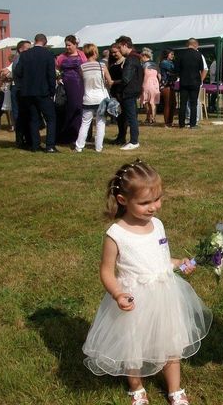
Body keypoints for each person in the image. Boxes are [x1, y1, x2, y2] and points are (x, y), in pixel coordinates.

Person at [83, 160, 211, 405]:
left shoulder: (158, 225)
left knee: (171, 341)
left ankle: (175, 390)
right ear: (123, 200)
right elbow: (106, 271)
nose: (154, 207)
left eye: (157, 199)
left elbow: (160, 258)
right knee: (134, 344)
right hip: (135, 298)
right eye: (144, 203)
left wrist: (178, 262)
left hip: (165, 295)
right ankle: (137, 388)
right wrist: (118, 294)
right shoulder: (116, 234)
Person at [13, 33, 58, 152]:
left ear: (35, 41)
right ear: (45, 42)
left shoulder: (25, 55)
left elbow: (17, 72)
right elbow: (51, 75)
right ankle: (50, 146)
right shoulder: (48, 54)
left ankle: (35, 145)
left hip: (27, 92)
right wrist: (52, 91)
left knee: (33, 119)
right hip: (43, 91)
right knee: (51, 118)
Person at [74, 43, 113, 153]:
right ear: (95, 52)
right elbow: (109, 81)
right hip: (101, 98)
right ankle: (98, 147)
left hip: (88, 98)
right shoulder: (102, 66)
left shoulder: (81, 67)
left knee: (85, 123)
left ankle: (79, 146)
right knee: (100, 123)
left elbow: (83, 80)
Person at [55, 35, 87, 144]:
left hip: (78, 84)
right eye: (66, 45)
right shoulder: (61, 57)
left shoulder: (81, 55)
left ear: (75, 45)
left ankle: (77, 134)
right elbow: (57, 69)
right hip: (65, 85)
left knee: (77, 107)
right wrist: (58, 78)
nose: (67, 47)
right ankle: (65, 134)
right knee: (65, 108)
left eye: (69, 45)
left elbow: (85, 68)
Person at [116, 36, 143, 150]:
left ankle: (134, 141)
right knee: (132, 117)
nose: (119, 50)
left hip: (129, 91)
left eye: (119, 47)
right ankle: (133, 140)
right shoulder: (136, 57)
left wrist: (118, 88)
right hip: (134, 90)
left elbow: (126, 78)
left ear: (125, 45)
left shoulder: (131, 59)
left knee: (131, 117)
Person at [174, 38, 206, 129]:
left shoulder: (180, 54)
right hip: (195, 82)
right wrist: (200, 80)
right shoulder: (198, 54)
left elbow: (176, 69)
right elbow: (202, 69)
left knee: (183, 103)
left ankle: (181, 124)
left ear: (187, 44)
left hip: (184, 81)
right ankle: (192, 124)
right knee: (193, 103)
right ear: (195, 44)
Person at [108, 43, 127, 143]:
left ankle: (122, 137)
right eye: (112, 53)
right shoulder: (112, 63)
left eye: (115, 52)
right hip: (114, 91)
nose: (114, 54)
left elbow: (125, 79)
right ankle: (120, 136)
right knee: (118, 116)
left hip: (121, 91)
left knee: (123, 116)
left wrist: (114, 82)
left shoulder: (125, 62)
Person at [140, 48, 161, 125]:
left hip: (146, 83)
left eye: (141, 56)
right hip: (155, 84)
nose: (141, 58)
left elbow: (141, 76)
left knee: (146, 101)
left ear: (144, 56)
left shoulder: (143, 65)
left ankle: (148, 117)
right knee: (153, 102)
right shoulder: (155, 64)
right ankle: (154, 118)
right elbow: (159, 76)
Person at [159, 49, 178, 127]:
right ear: (166, 54)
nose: (173, 56)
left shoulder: (170, 62)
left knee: (173, 103)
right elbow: (173, 70)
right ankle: (167, 123)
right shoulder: (164, 63)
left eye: (173, 54)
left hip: (170, 85)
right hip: (165, 85)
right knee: (168, 104)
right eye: (171, 54)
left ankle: (170, 122)